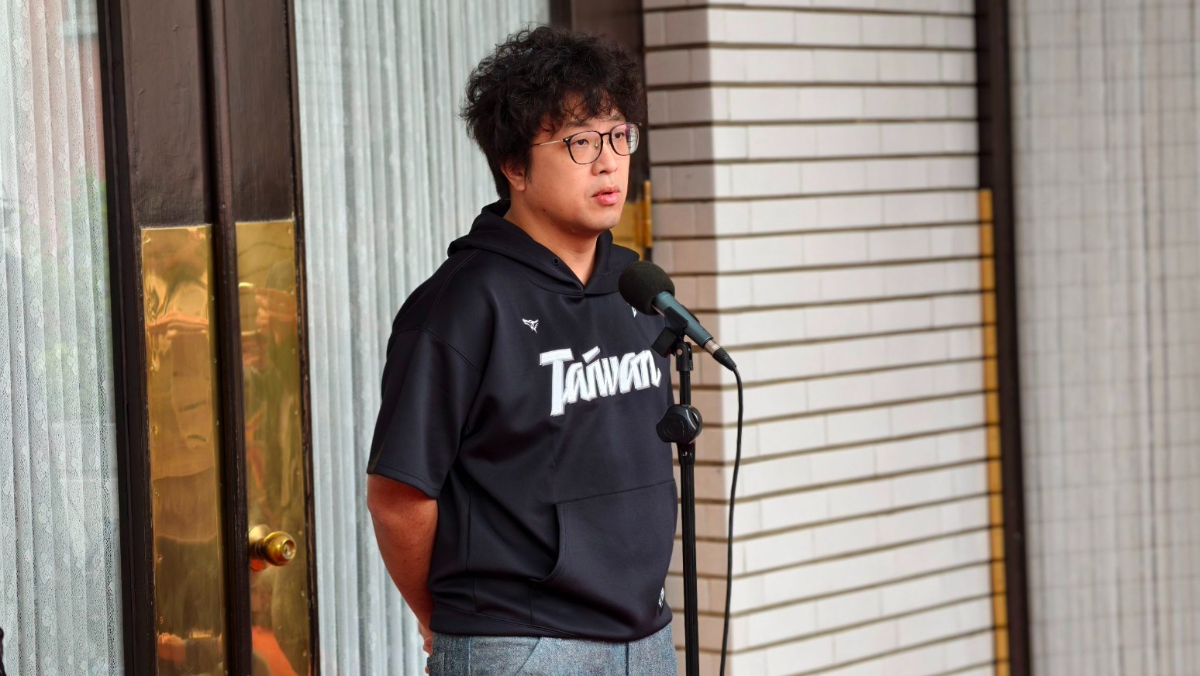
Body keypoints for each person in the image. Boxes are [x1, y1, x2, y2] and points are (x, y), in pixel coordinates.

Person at [365, 25, 678, 676]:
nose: (609, 162)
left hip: (647, 635)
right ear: (515, 166)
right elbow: (398, 494)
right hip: (520, 643)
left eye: (619, 135)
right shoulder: (462, 304)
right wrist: (443, 616)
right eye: (580, 142)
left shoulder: (635, 287)